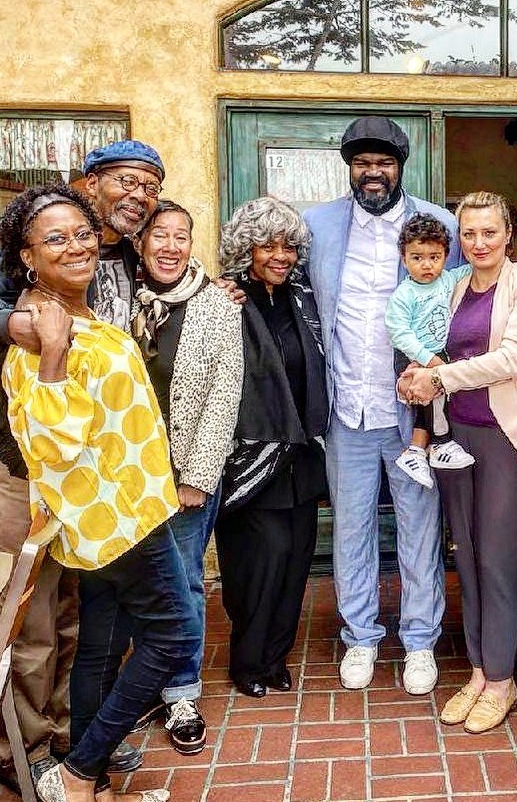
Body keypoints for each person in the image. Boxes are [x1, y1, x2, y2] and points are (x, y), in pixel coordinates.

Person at [0, 184, 198, 802]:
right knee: (177, 635)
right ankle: (81, 773)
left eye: (83, 233)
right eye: (55, 238)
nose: (77, 245)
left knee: (101, 647)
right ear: (28, 256)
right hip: (115, 518)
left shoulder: (76, 308)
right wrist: (54, 354)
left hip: (122, 510)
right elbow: (48, 443)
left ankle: (96, 784)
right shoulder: (38, 328)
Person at [304, 116, 459, 696]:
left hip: (412, 413)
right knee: (351, 528)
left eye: (384, 162)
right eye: (362, 163)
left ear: (401, 166)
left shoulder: (439, 226)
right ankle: (362, 635)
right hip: (347, 408)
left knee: (420, 527)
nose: (373, 173)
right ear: (350, 167)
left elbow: (463, 309)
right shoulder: (317, 225)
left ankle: (420, 641)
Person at [399, 191, 517, 732]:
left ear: (508, 234)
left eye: (489, 232)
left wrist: (438, 376)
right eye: (469, 234)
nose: (479, 243)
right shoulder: (454, 284)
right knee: (465, 555)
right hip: (454, 435)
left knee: (499, 558)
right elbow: (435, 346)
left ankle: (504, 679)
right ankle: (480, 671)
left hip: (506, 437)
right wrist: (419, 373)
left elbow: (514, 357)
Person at [130, 201, 243, 754]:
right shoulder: (115, 300)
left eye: (182, 236)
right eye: (160, 235)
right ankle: (133, 685)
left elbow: (224, 398)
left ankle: (181, 691)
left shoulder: (217, 306)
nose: (171, 246)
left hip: (183, 474)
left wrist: (199, 475)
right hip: (123, 474)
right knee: (124, 586)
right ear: (140, 242)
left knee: (181, 583)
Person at [215, 196, 328, 699]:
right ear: (246, 249)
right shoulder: (225, 299)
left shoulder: (301, 297)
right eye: (267, 245)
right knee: (259, 560)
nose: (280, 255)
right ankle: (248, 660)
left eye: (288, 245)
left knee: (296, 557)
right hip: (248, 457)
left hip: (301, 452)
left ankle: (276, 656)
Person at [386, 213, 473, 488]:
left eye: (434, 257)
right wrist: (429, 360)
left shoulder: (448, 280)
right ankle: (440, 444)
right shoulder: (404, 294)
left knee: (436, 400)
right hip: (412, 355)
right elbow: (399, 333)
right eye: (417, 257)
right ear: (404, 258)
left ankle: (417, 451)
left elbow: (475, 268)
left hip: (439, 354)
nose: (426, 265)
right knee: (433, 395)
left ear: (446, 256)